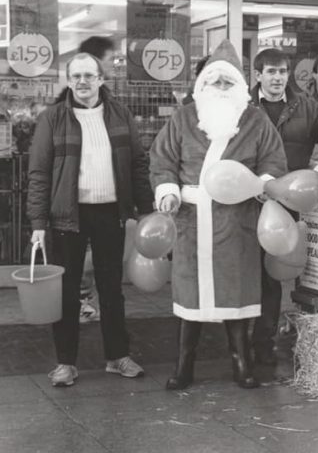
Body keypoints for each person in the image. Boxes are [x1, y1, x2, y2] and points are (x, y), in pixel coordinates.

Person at [150, 40, 288, 390]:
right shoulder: (183, 118)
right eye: (215, 82)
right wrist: (167, 190)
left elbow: (273, 160)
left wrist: (264, 183)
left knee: (235, 294)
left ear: (240, 86)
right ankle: (184, 366)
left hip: (236, 219)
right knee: (190, 298)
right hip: (191, 220)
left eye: (228, 82)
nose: (222, 89)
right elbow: (162, 159)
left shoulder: (255, 121)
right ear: (203, 85)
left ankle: (242, 364)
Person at [27, 52, 153, 387]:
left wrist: (148, 211)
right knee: (67, 292)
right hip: (66, 214)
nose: (83, 82)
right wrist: (38, 223)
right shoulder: (53, 118)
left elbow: (138, 165)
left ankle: (117, 356)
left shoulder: (120, 114)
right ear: (68, 81)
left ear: (101, 79)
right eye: (76, 76)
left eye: (89, 75)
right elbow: (39, 173)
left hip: (110, 212)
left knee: (112, 289)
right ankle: (65, 363)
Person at [250, 48, 318, 365]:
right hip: (250, 201)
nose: (277, 77)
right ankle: (249, 341)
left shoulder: (305, 106)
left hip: (292, 203)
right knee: (253, 274)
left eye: (282, 71)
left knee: (285, 275)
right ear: (257, 75)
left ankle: (270, 340)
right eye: (270, 71)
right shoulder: (243, 108)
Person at [76, 36, 117, 324]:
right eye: (111, 59)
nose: (115, 64)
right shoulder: (63, 109)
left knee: (102, 260)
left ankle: (85, 300)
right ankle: (81, 299)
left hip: (107, 197)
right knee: (85, 256)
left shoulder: (111, 104)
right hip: (77, 197)